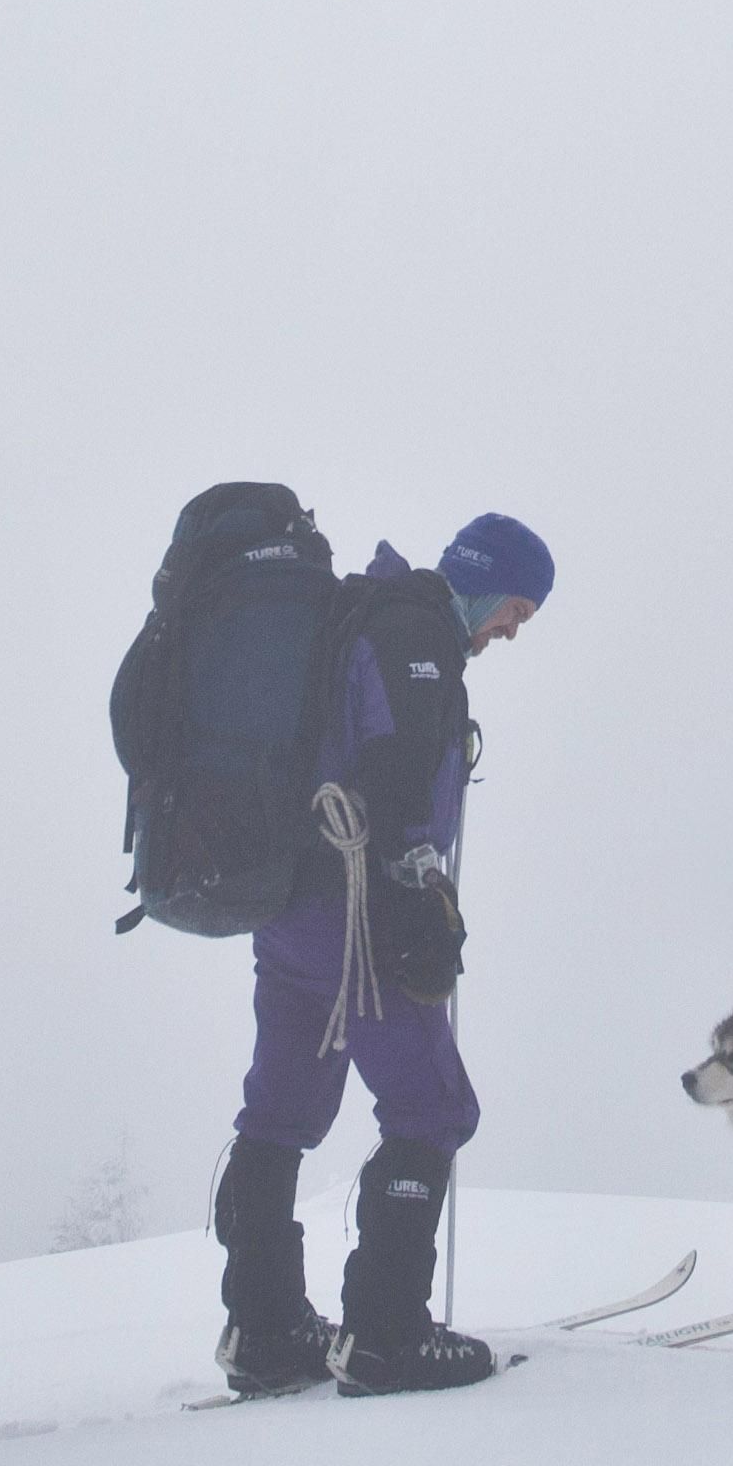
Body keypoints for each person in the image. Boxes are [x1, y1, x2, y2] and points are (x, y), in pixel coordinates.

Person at [213, 510, 554, 1398]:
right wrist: (416, 904)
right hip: (358, 908)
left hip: (290, 905)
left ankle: (264, 1327)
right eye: (516, 607)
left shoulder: (363, 618)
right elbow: (395, 771)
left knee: (280, 1106)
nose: (512, 630)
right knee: (430, 1106)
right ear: (485, 580)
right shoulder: (417, 637)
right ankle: (387, 1334)